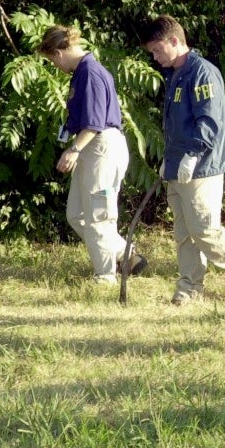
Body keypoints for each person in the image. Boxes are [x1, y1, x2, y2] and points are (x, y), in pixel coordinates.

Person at [139, 15, 225, 306]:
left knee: (205, 230)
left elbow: (208, 121)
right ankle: (189, 290)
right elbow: (177, 123)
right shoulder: (175, 72)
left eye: (158, 49)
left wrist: (192, 155)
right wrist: (169, 159)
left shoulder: (202, 72)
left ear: (175, 41)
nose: (155, 56)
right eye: (152, 53)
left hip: (202, 165)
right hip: (179, 165)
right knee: (184, 233)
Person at [38, 25, 146, 284]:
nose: (54, 65)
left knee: (98, 215)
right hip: (91, 147)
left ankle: (105, 276)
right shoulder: (80, 73)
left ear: (59, 51)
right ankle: (125, 254)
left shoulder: (90, 73)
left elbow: (95, 122)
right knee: (77, 214)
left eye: (52, 59)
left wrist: (74, 149)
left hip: (100, 147)